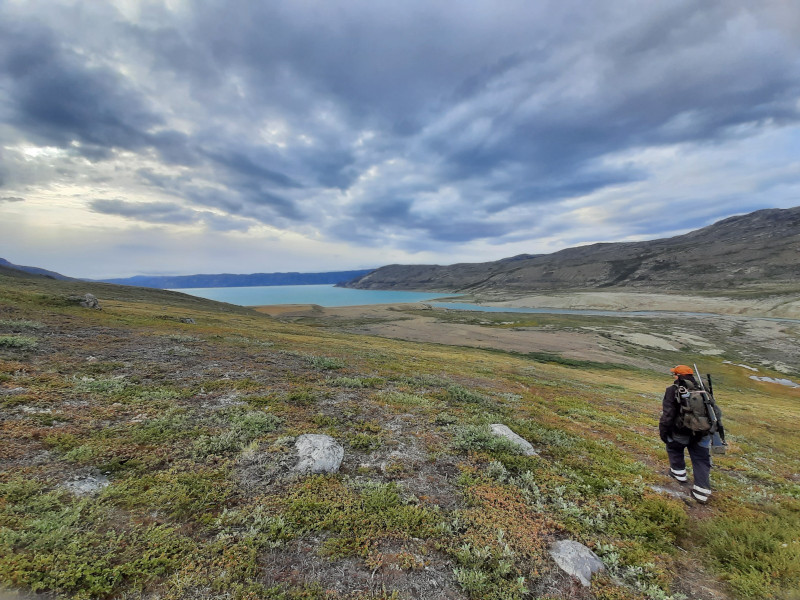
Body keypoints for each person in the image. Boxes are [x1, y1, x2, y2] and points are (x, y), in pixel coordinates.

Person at [659, 365, 713, 504]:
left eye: (674, 374)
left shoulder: (672, 390)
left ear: (677, 376)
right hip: (703, 431)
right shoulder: (703, 389)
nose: (673, 376)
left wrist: (664, 432)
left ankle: (679, 474)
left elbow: (668, 415)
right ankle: (702, 492)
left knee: (674, 448)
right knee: (701, 458)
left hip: (681, 431)